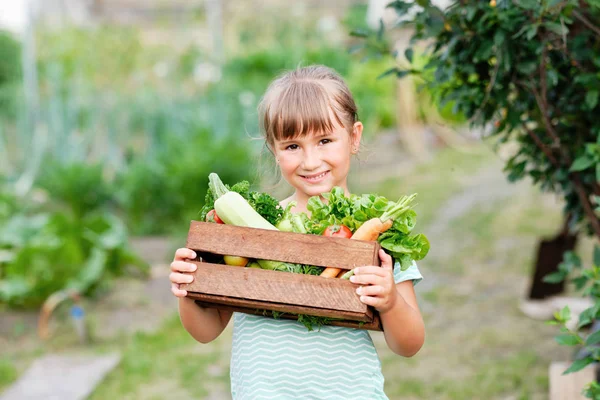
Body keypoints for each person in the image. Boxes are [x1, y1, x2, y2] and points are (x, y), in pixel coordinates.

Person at [169, 65, 425, 399]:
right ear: (273, 149)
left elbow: (409, 344)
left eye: (324, 140)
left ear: (354, 137)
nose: (309, 160)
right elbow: (206, 331)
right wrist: (187, 289)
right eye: (292, 146)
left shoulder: (379, 230)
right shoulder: (251, 228)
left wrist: (390, 303)